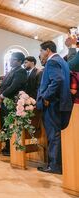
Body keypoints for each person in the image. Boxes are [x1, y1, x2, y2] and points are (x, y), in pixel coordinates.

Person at [37, 41, 73, 174]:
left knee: (54, 135)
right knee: (56, 134)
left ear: (47, 50)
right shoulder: (62, 61)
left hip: (53, 104)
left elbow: (57, 80)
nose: (40, 54)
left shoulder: (52, 62)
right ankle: (57, 164)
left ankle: (55, 166)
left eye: (41, 51)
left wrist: (46, 96)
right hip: (61, 103)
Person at [0, 52, 27, 156]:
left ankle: (10, 148)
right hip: (5, 101)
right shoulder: (11, 71)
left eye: (13, 59)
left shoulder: (21, 71)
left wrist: (2, 95)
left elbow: (14, 86)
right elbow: (4, 85)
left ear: (19, 61)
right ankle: (6, 146)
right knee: (5, 124)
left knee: (10, 124)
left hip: (11, 101)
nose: (10, 61)